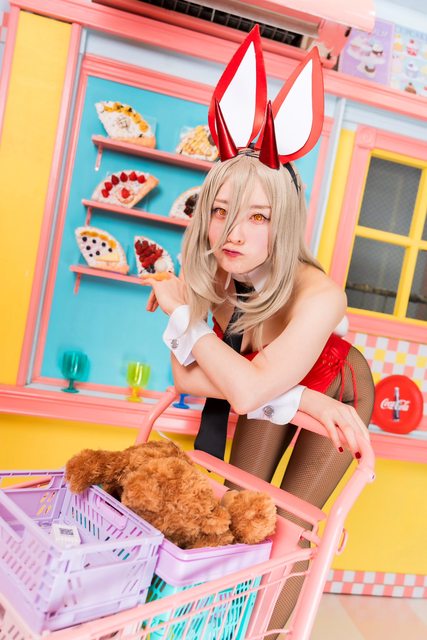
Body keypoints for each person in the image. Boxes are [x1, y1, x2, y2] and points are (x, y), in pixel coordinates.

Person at [142, 27, 375, 635]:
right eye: (221, 210)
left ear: (285, 221)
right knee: (239, 505)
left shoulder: (321, 294)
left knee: (290, 527)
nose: (233, 232)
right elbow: (187, 376)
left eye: (258, 216)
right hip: (290, 387)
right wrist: (297, 398)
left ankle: (265, 634)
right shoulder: (223, 270)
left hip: (340, 385)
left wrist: (183, 315)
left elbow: (242, 390)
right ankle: (209, 626)